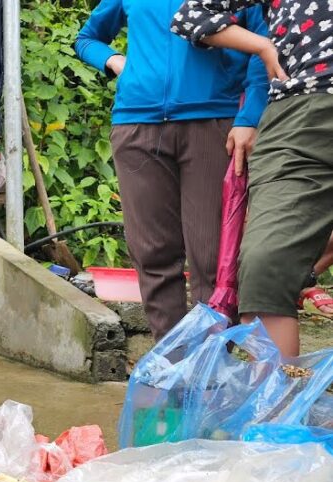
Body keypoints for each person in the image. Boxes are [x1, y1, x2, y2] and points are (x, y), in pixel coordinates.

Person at [75, 0, 268, 340]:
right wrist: (118, 63)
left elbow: (262, 46)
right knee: (152, 254)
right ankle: (170, 364)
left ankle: (211, 366)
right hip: (136, 126)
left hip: (214, 125)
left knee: (213, 258)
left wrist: (250, 116)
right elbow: (87, 38)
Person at [172, 0, 333, 356]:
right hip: (299, 116)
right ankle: (278, 408)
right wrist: (262, 45)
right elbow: (193, 15)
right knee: (264, 265)